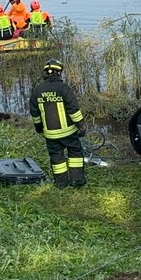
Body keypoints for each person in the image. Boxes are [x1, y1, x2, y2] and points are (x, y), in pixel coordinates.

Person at [29, 59, 87, 188]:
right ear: (59, 73)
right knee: (75, 153)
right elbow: (73, 109)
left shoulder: (37, 90)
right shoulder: (64, 88)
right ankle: (77, 180)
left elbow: (35, 113)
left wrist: (39, 128)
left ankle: (61, 182)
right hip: (69, 132)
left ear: (46, 73)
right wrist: (81, 125)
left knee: (56, 157)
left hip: (50, 134)